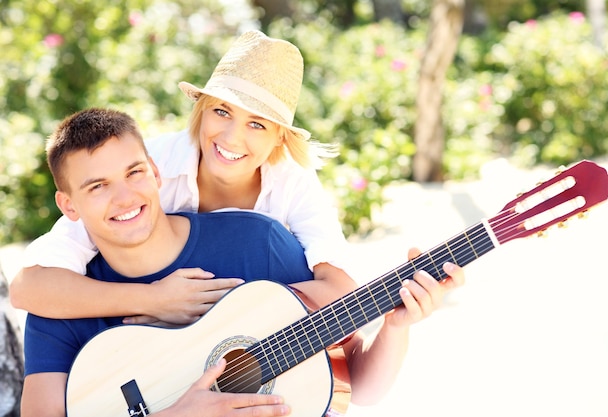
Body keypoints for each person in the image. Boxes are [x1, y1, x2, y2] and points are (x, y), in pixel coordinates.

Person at [20, 108, 464, 417]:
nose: (124, 197)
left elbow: (357, 386)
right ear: (69, 206)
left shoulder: (257, 243)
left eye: (134, 172)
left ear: (156, 173)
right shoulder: (63, 306)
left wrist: (396, 326)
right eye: (97, 186)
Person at [11, 30, 361, 324]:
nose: (231, 138)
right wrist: (152, 300)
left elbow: (340, 292)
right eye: (222, 111)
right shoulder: (145, 169)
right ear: (201, 110)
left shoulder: (292, 182)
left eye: (257, 123)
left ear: (279, 138)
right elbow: (29, 287)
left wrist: (214, 313)